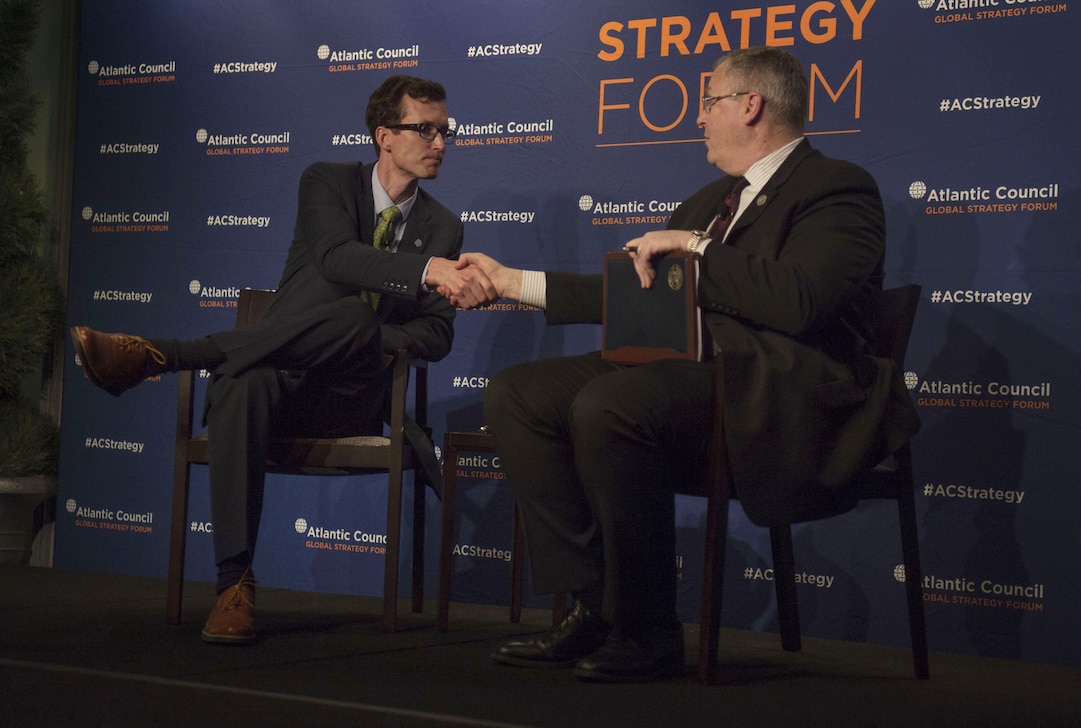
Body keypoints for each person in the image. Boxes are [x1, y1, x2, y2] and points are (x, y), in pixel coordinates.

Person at [453, 47, 920, 682]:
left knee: (611, 402)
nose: (697, 118)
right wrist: (514, 282)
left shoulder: (836, 187)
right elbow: (638, 299)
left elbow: (800, 300)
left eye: (709, 103)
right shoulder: (708, 200)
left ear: (750, 105)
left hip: (778, 392)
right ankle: (595, 605)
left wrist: (696, 248)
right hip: (689, 378)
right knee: (520, 393)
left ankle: (646, 630)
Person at [70, 75, 495, 645]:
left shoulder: (442, 226)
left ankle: (162, 356)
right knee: (244, 385)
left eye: (446, 130)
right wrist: (421, 273)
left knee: (352, 321)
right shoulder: (326, 182)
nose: (440, 141)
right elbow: (337, 257)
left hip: (349, 399)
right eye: (425, 129)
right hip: (275, 384)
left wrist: (369, 336)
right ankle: (233, 585)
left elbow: (436, 336)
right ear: (384, 136)